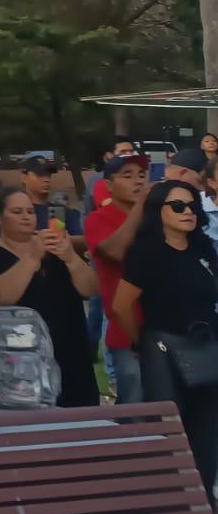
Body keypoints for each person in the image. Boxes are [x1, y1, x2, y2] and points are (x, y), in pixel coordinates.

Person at [114, 181, 218, 506]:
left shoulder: (203, 248)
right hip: (163, 347)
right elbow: (121, 305)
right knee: (170, 426)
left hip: (204, 345)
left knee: (207, 426)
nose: (187, 212)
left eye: (191, 206)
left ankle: (203, 499)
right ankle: (170, 501)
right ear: (158, 210)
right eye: (177, 206)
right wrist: (143, 339)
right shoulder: (147, 252)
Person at [0, 186, 99, 407]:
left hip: (71, 357)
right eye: (17, 212)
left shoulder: (56, 249)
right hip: (18, 365)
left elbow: (90, 289)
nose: (26, 217)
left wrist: (71, 258)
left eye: (30, 211)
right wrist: (31, 258)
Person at [84, 153, 150, 404]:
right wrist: (142, 206)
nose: (138, 181)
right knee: (135, 405)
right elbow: (116, 251)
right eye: (128, 175)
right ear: (109, 185)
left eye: (142, 175)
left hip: (161, 328)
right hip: (126, 330)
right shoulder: (97, 219)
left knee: (165, 406)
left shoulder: (157, 217)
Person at [89, 138, 138, 210]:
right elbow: (113, 208)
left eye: (131, 151)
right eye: (123, 152)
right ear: (109, 155)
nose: (129, 155)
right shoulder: (101, 180)